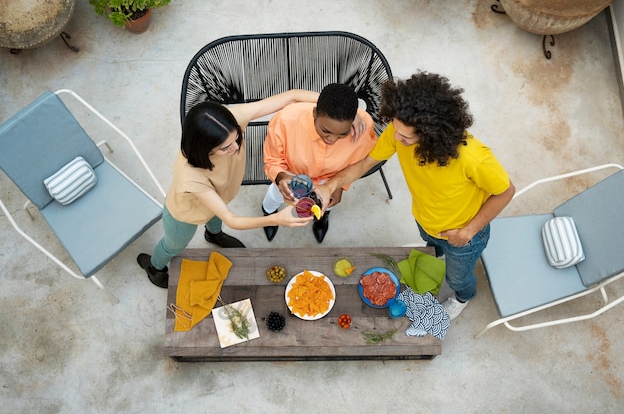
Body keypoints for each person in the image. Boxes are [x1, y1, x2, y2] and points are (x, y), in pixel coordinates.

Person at [314, 72, 515, 320]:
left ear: (431, 134)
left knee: (457, 276)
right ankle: (436, 253)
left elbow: (506, 191)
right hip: (425, 220)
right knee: (431, 248)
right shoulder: (399, 130)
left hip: (464, 235)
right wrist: (330, 185)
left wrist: (468, 231)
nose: (396, 138)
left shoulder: (474, 158)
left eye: (405, 136)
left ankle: (463, 296)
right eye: (396, 130)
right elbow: (367, 161)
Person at [137, 90, 317, 288]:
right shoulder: (191, 175)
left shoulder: (229, 124)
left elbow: (291, 97)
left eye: (237, 138)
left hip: (219, 197)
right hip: (186, 214)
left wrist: (351, 112)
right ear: (203, 148)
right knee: (174, 246)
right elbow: (231, 218)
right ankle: (155, 267)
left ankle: (213, 234)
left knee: (215, 218)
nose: (235, 148)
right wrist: (275, 219)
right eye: (225, 148)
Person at [261, 83, 378, 243]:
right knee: (274, 196)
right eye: (326, 131)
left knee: (326, 204)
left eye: (343, 134)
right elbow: (273, 160)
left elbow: (359, 163)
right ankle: (269, 215)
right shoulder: (285, 121)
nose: (332, 139)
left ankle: (322, 218)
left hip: (331, 179)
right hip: (290, 175)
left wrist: (340, 186)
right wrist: (281, 178)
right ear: (314, 113)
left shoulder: (363, 129)